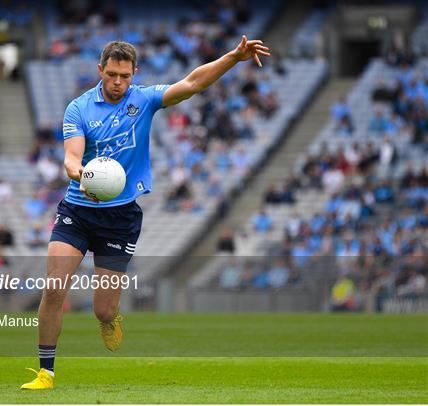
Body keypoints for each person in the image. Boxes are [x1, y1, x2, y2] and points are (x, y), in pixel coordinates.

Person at [21, 38, 271, 389]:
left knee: (103, 310)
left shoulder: (145, 99)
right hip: (78, 209)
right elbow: (71, 157)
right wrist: (81, 174)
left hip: (120, 218)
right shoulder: (78, 108)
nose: (118, 82)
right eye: (111, 74)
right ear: (100, 71)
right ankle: (46, 372)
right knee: (53, 289)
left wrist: (233, 57)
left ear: (134, 73)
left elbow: (193, 83)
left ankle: (109, 319)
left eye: (124, 75)